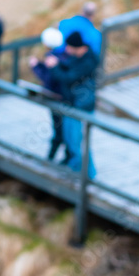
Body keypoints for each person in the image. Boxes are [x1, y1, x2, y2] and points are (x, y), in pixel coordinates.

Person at [45, 31, 99, 178]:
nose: (66, 50)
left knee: (78, 143)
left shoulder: (88, 61)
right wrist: (57, 64)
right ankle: (78, 173)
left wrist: (54, 67)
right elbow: (68, 67)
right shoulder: (78, 57)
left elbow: (69, 77)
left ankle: (88, 176)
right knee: (71, 141)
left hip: (81, 107)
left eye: (68, 47)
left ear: (76, 47)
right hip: (72, 105)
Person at [29, 27, 70, 161]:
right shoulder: (65, 55)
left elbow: (48, 79)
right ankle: (64, 156)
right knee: (64, 128)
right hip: (66, 98)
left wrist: (35, 67)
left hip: (56, 99)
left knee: (59, 129)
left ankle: (53, 157)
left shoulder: (52, 58)